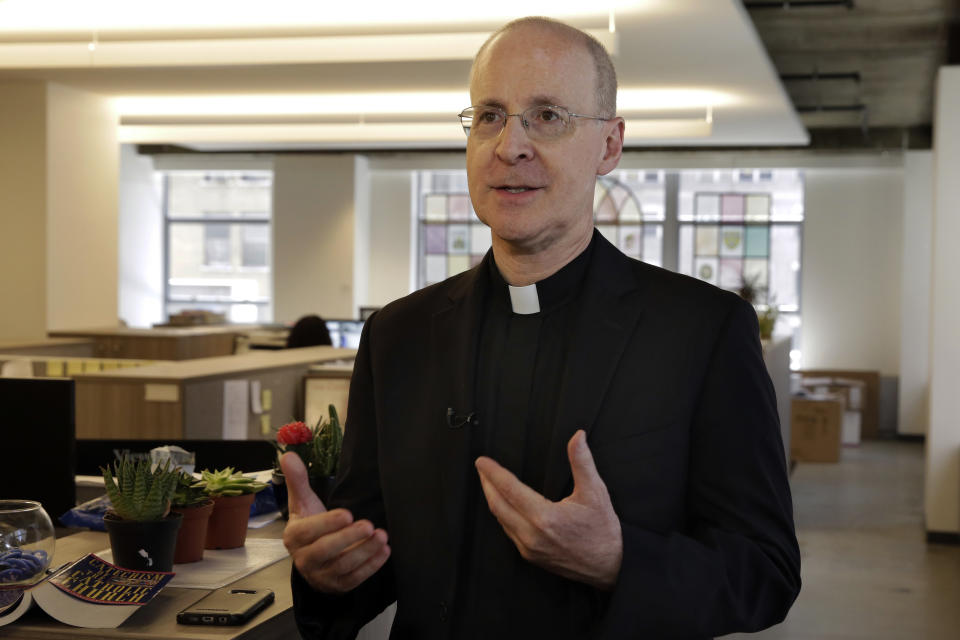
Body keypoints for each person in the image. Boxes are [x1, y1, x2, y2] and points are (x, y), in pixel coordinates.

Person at [281, 16, 801, 639]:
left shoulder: (702, 331)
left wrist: (617, 561)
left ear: (610, 145)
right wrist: (327, 570)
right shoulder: (398, 335)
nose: (510, 146)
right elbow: (374, 554)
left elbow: (764, 571)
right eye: (490, 116)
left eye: (548, 115)